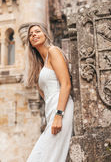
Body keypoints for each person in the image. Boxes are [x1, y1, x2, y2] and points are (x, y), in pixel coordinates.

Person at [25, 23, 74, 162]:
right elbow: (45, 97)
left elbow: (66, 84)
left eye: (37, 31)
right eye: (30, 34)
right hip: (51, 112)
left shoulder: (53, 51)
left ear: (45, 34)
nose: (33, 35)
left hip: (61, 110)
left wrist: (59, 115)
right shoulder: (38, 65)